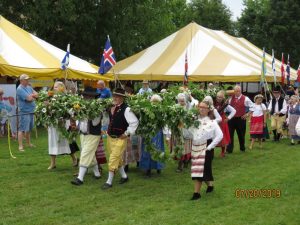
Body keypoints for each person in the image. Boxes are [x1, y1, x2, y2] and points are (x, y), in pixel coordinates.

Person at [102, 88, 139, 190]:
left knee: (113, 158)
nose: (115, 98)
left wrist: (127, 133)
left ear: (122, 98)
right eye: (114, 96)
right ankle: (124, 176)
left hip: (120, 138)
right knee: (117, 158)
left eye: (118, 96)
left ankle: (109, 181)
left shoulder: (126, 109)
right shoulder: (111, 107)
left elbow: (134, 122)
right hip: (110, 137)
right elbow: (109, 119)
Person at [188, 100, 223, 200]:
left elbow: (220, 135)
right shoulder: (194, 121)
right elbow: (189, 134)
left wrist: (210, 147)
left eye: (204, 107)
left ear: (208, 110)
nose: (202, 109)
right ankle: (210, 185)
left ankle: (196, 194)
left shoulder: (212, 122)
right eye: (200, 107)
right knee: (197, 170)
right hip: (195, 147)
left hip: (206, 147)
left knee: (202, 171)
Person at [71, 89, 103, 185]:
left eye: (89, 97)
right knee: (90, 154)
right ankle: (97, 173)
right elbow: (78, 119)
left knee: (85, 153)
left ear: (94, 98)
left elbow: (95, 122)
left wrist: (88, 112)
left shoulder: (98, 109)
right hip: (83, 134)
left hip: (93, 135)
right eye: (85, 96)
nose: (87, 98)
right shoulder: (79, 107)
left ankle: (80, 178)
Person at [47, 81, 79, 170]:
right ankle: (53, 163)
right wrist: (47, 107)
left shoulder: (66, 98)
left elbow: (71, 112)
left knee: (67, 141)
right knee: (52, 141)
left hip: (64, 123)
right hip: (53, 124)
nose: (54, 88)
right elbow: (48, 111)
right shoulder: (50, 97)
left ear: (62, 87)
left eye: (56, 87)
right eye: (54, 87)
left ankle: (74, 159)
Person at [139, 94, 165, 177]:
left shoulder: (161, 110)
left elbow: (162, 122)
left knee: (157, 149)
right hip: (148, 132)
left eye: (156, 102)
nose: (155, 103)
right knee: (147, 150)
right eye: (153, 101)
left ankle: (158, 167)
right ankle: (147, 169)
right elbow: (143, 121)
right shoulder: (147, 110)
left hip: (157, 133)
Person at [170, 93, 193, 172]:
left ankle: (184, 161)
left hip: (186, 130)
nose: (181, 102)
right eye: (180, 101)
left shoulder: (188, 107)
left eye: (182, 101)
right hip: (177, 130)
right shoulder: (175, 107)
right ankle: (181, 163)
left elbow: (191, 118)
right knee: (179, 146)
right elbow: (172, 118)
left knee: (185, 147)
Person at [227, 85, 253, 153]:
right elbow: (226, 106)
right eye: (235, 91)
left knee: (241, 135)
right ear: (234, 91)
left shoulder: (245, 98)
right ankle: (229, 149)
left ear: (240, 91)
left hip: (241, 119)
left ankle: (242, 148)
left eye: (238, 91)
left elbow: (253, 106)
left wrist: (247, 114)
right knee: (230, 134)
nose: (237, 92)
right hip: (232, 119)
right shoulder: (230, 98)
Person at [16, 74, 38, 151]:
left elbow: (37, 95)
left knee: (28, 128)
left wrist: (32, 95)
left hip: (31, 110)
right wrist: (32, 95)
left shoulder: (29, 87)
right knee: (22, 129)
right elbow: (29, 99)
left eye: (28, 79)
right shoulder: (19, 89)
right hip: (24, 111)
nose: (28, 80)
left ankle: (28, 143)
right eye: (26, 79)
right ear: (21, 81)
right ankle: (20, 146)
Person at [214, 90, 236, 157]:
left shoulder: (225, 105)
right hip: (214, 121)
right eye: (218, 97)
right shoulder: (213, 103)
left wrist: (228, 118)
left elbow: (234, 111)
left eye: (220, 97)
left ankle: (223, 152)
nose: (218, 98)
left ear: (223, 98)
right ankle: (211, 152)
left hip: (222, 122)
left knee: (222, 136)